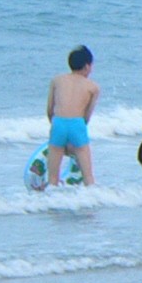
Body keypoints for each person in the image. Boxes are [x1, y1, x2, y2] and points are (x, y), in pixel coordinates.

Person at [41, 45, 99, 188]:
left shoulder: (57, 80)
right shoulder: (93, 87)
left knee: (53, 178)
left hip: (58, 123)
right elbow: (86, 116)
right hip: (77, 124)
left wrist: (56, 126)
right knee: (88, 177)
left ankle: (52, 198)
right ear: (87, 66)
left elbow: (49, 109)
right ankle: (92, 198)